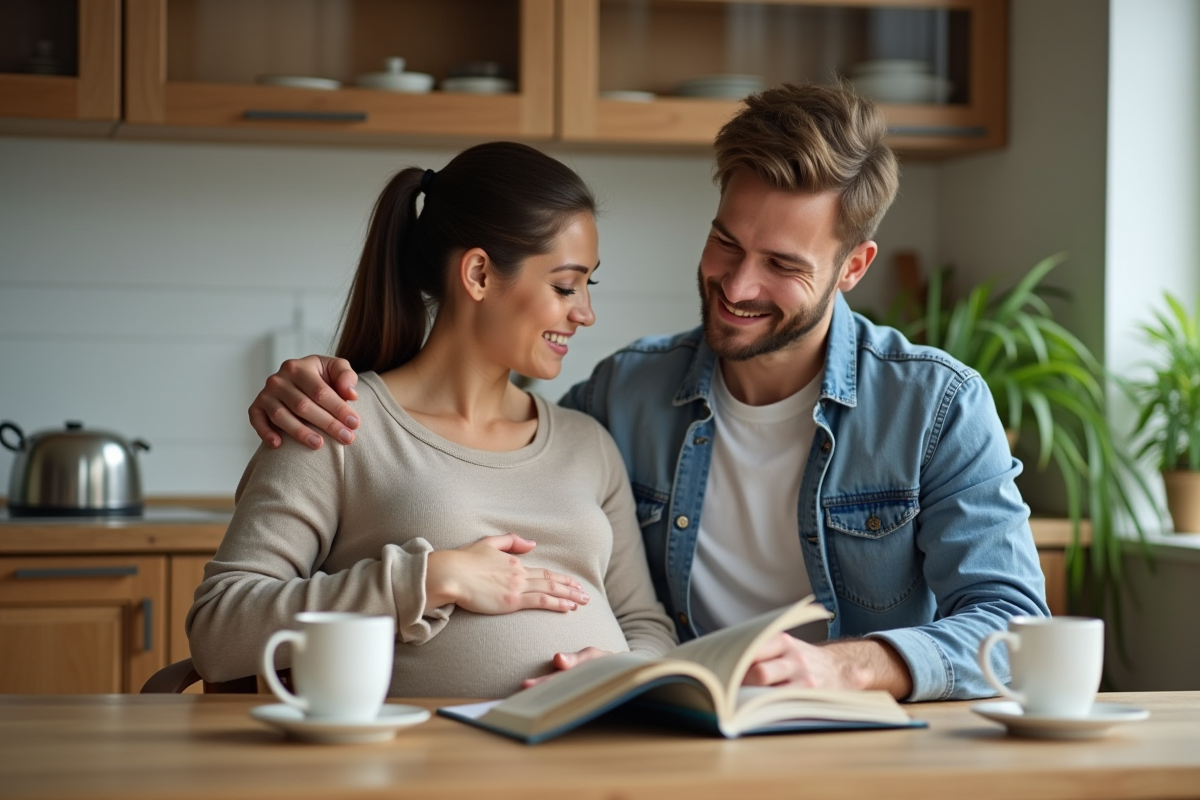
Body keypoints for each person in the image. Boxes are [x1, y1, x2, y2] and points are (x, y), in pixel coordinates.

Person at [246, 84, 1050, 702]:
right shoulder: (625, 396)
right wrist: (311, 386)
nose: (737, 285)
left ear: (854, 268)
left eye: (782, 265)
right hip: (663, 746)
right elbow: (477, 445)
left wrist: (841, 667)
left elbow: (1014, 629)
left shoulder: (936, 407)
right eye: (726, 242)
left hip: (852, 748)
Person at [188, 142, 677, 698]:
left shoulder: (588, 443)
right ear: (478, 274)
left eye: (590, 285)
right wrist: (428, 580)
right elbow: (218, 629)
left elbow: (645, 624)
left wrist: (625, 671)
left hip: (596, 762)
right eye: (565, 286)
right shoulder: (338, 425)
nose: (585, 312)